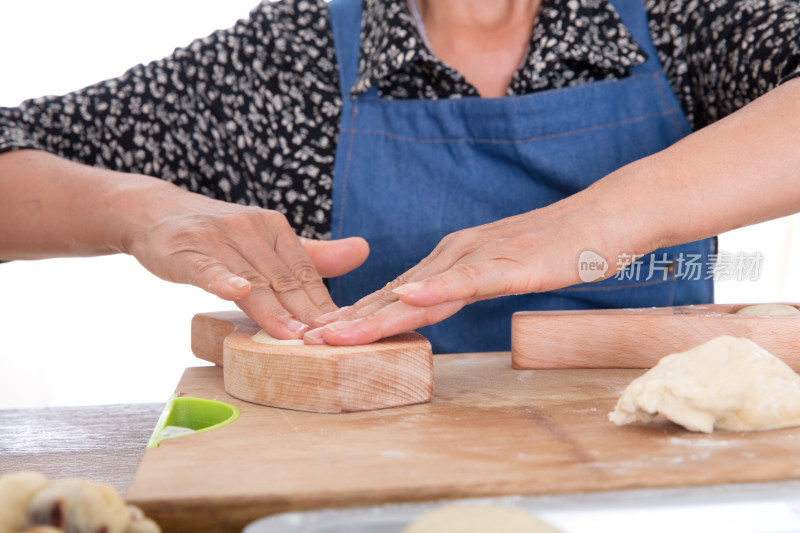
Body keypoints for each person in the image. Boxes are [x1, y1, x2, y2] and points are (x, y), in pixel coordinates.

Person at [1, 0, 798, 353]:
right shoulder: (294, 61)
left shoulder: (686, 18)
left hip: (653, 494)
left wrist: (605, 216)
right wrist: (139, 207)